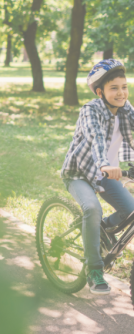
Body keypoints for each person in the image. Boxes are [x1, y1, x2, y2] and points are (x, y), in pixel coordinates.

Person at [61, 59, 134, 294]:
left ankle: (99, 230)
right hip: (80, 173)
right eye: (114, 88)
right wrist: (104, 163)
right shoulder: (90, 110)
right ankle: (94, 269)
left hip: (105, 174)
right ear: (100, 92)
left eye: (124, 86)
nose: (121, 92)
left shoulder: (126, 108)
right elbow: (96, 138)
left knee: (131, 210)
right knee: (92, 208)